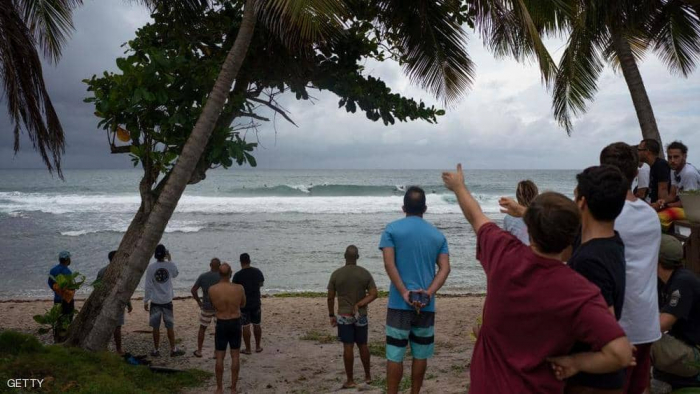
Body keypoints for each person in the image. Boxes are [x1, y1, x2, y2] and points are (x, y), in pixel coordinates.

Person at [452, 164, 634, 392]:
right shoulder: (579, 290)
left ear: (529, 229)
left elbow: (476, 217)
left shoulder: (503, 254)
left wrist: (458, 187)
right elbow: (620, 353)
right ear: (571, 237)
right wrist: (575, 363)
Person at [600, 142, 662, 393]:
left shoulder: (605, 216)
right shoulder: (650, 216)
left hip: (615, 325)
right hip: (645, 322)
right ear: (635, 174)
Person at [379, 186, 451, 394]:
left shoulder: (391, 230)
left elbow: (389, 264)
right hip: (425, 305)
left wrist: (403, 292)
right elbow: (445, 268)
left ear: (403, 207)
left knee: (395, 354)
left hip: (399, 304)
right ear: (425, 208)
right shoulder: (438, 236)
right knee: (420, 354)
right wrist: (428, 293)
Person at [566, 165, 628, 393]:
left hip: (591, 380)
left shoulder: (588, 261)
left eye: (574, 196)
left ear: (582, 202)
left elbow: (605, 328)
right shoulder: (612, 242)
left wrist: (575, 362)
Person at [653, 235, 700, 390]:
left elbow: (662, 323)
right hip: (682, 346)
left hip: (694, 355)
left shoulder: (682, 281)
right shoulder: (666, 280)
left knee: (641, 339)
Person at [327, 245, 378, 388]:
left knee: (348, 346)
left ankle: (350, 380)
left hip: (344, 315)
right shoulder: (364, 273)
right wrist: (360, 303)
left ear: (344, 256)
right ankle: (368, 376)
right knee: (363, 345)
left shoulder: (336, 274)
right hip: (360, 315)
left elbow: (330, 298)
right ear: (358, 257)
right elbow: (374, 294)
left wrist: (331, 315)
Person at [209, 263, 246, 394]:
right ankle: (234, 388)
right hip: (235, 322)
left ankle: (219, 388)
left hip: (221, 323)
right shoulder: (239, 288)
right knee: (235, 355)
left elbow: (213, 305)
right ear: (230, 273)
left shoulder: (212, 289)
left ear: (219, 274)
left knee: (220, 356)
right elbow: (243, 303)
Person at [144, 244, 184, 357]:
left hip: (155, 301)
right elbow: (175, 274)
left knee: (155, 327)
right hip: (167, 301)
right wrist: (170, 259)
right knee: (169, 326)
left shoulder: (151, 268)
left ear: (155, 255)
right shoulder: (169, 265)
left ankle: (156, 350)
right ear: (165, 254)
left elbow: (148, 285)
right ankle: (173, 349)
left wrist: (146, 300)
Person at [95, 250, 133, 355]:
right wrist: (128, 303)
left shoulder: (102, 271)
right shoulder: (122, 272)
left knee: (103, 326)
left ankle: (103, 347)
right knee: (117, 327)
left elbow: (96, 288)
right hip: (118, 302)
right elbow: (124, 289)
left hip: (104, 302)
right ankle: (119, 349)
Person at [657, 141, 700, 230]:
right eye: (669, 157)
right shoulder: (674, 169)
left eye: (676, 157)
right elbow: (672, 195)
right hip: (689, 207)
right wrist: (662, 202)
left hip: (695, 210)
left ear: (684, 156)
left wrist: (667, 206)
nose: (672, 160)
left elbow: (689, 203)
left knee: (659, 218)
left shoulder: (689, 173)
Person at [232, 253, 265, 354]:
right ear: (249, 260)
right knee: (257, 324)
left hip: (244, 303)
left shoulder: (238, 275)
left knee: (245, 326)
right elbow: (261, 284)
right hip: (255, 302)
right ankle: (258, 346)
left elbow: (235, 289)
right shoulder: (257, 271)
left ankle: (248, 348)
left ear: (241, 262)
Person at [191, 257, 221, 358]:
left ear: (210, 265)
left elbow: (193, 290)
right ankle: (216, 352)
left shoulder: (203, 276)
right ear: (219, 266)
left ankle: (199, 350)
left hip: (206, 306)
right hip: (219, 307)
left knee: (202, 328)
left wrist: (199, 302)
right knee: (219, 330)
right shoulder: (222, 277)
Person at [48, 250, 75, 343]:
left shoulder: (53, 270)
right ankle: (65, 339)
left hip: (57, 298)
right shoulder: (67, 271)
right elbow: (71, 286)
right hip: (67, 300)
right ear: (67, 260)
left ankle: (57, 339)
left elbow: (50, 283)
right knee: (67, 319)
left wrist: (57, 290)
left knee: (58, 319)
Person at [503, 180, 538, 245]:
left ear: (517, 196)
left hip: (517, 252)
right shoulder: (542, 216)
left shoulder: (509, 217)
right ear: (535, 195)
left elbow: (506, 242)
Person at [638, 139, 670, 208]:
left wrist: (658, 206)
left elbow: (663, 189)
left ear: (647, 151)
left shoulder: (661, 165)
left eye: (639, 149)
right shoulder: (651, 166)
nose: (637, 152)